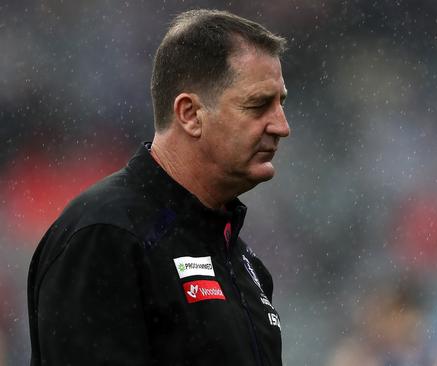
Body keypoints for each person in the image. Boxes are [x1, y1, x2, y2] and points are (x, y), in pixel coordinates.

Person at [27, 9, 289, 365]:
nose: (281, 126)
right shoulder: (107, 234)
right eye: (259, 105)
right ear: (190, 114)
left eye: (281, 104)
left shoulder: (244, 262)